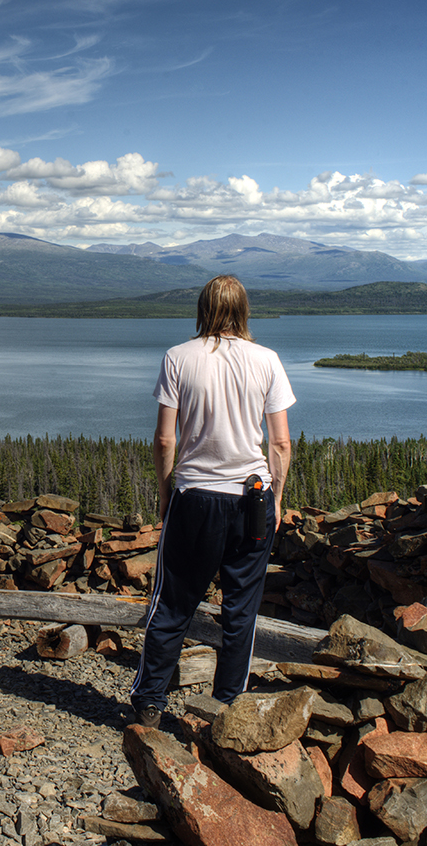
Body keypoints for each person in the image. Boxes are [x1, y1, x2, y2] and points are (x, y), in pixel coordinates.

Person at [129, 274, 295, 727]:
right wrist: (276, 498)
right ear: (243, 310)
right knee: (241, 610)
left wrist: (166, 496)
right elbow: (279, 444)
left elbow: (166, 439)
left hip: (197, 496)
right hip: (252, 497)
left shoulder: (178, 357)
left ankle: (149, 702)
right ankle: (226, 707)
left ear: (202, 309)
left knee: (174, 603)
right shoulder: (267, 360)